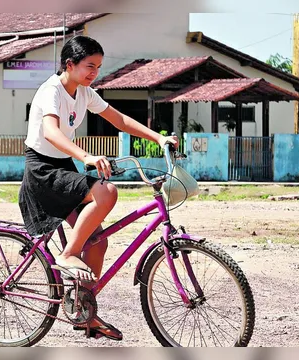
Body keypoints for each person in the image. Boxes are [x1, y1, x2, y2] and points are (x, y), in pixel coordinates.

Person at [19, 35, 178, 340]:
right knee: (107, 192)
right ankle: (68, 254)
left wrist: (157, 138)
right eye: (89, 66)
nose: (95, 72)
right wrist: (87, 156)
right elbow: (51, 132)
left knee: (99, 241)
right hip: (42, 169)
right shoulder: (50, 91)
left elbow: (117, 119)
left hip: (63, 166)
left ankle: (84, 314)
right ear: (70, 64)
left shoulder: (83, 92)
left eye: (98, 67)